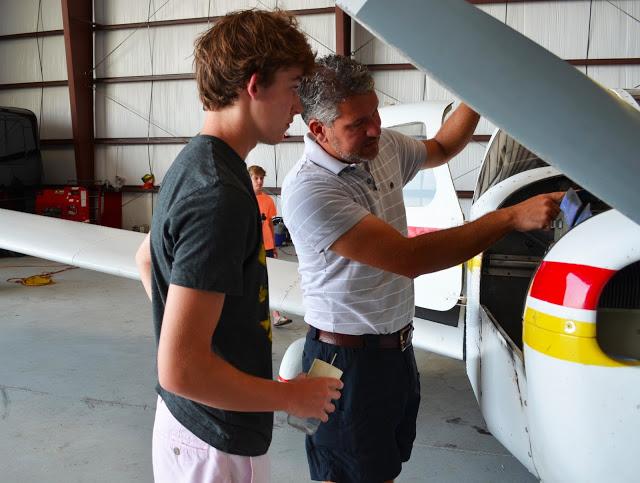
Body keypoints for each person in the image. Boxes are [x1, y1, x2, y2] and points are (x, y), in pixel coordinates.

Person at [281, 54, 563, 483]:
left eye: (375, 114)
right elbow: (409, 259)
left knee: (384, 465)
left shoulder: (382, 146)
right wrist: (510, 218)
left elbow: (443, 148)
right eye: (357, 124)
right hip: (344, 360)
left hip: (396, 348)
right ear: (317, 130)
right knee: (346, 472)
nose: (375, 128)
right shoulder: (311, 191)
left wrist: (478, 95)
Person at [134, 12, 342, 483]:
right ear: (255, 85)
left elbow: (147, 258)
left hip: (190, 422)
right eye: (293, 86)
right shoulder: (220, 194)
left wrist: (190, 335)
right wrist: (290, 397)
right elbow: (182, 369)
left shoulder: (194, 162)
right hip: (215, 439)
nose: (299, 106)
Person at [248, 164, 293, 327]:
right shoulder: (244, 199)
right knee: (252, 282)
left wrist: (274, 247)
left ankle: (276, 315)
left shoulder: (268, 200)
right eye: (256, 178)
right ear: (249, 179)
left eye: (261, 178)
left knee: (270, 281)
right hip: (251, 248)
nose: (259, 181)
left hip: (267, 247)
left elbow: (271, 225)